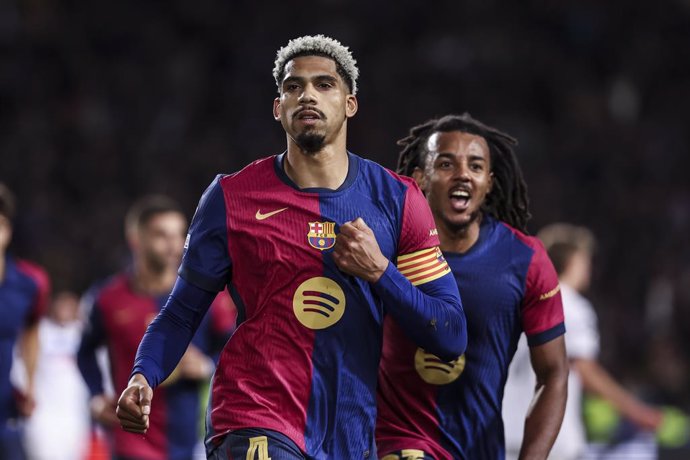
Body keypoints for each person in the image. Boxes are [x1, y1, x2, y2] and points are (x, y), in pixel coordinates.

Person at [116, 35, 467, 460]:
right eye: (293, 86)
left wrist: (380, 272)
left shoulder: (398, 200)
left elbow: (450, 334)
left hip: (351, 436)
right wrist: (143, 376)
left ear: (350, 103)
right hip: (255, 418)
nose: (307, 96)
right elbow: (181, 312)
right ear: (277, 107)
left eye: (324, 85)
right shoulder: (232, 197)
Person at [376, 113, 569, 460]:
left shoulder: (524, 259)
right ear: (420, 178)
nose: (463, 173)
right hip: (396, 442)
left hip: (481, 449)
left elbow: (553, 373)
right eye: (447, 163)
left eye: (476, 166)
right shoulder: (383, 250)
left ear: (489, 182)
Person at [78, 195, 236, 460]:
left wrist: (207, 365)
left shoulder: (210, 299)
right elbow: (85, 352)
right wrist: (96, 396)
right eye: (161, 235)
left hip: (192, 442)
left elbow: (233, 347)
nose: (173, 244)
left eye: (178, 235)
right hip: (131, 442)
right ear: (135, 239)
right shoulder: (107, 299)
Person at [502, 223, 663, 460]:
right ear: (574, 262)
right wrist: (636, 412)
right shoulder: (571, 305)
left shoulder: (515, 302)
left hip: (506, 435)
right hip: (552, 441)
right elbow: (584, 369)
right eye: (586, 261)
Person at [0, 183, 51, 460]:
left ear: (6, 230)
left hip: (5, 414)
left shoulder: (30, 284)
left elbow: (31, 329)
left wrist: (30, 384)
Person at [22, 291, 90, 460]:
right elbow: (22, 364)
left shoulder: (84, 334)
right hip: (44, 410)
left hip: (74, 412)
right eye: (62, 304)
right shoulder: (39, 332)